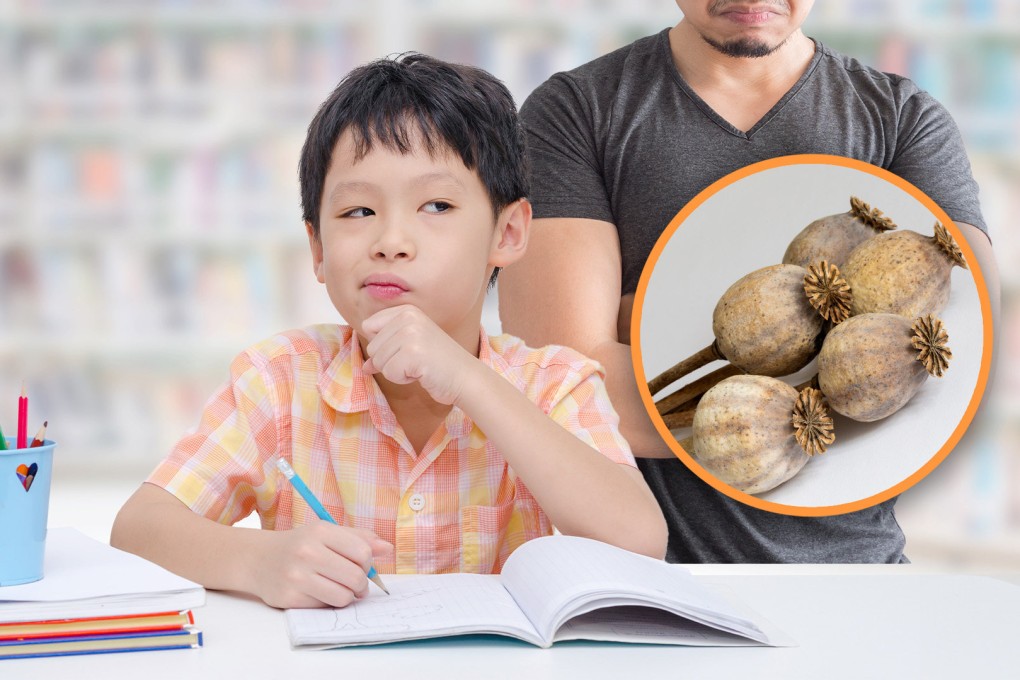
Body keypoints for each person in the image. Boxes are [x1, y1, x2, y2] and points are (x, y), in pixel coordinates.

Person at [111, 53, 667, 609]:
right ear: (317, 249)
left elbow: (639, 541)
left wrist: (470, 381)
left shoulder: (554, 383)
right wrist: (261, 561)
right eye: (357, 212)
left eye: (437, 204)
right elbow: (138, 530)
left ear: (510, 231)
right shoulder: (280, 380)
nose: (391, 241)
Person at [500, 0, 1000, 563]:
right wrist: (847, 363)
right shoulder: (575, 112)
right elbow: (566, 391)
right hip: (649, 592)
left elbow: (968, 360)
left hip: (864, 582)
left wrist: (641, 316)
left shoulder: (903, 117)